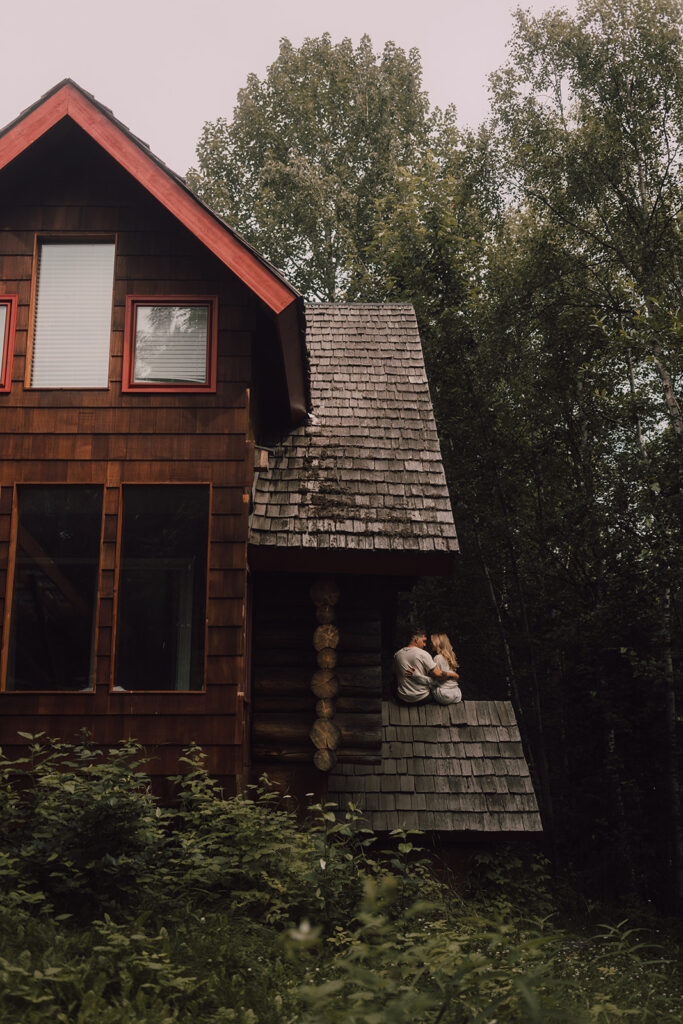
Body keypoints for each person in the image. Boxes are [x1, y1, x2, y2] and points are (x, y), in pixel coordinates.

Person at [393, 629, 460, 705]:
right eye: (424, 641)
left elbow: (395, 674)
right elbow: (438, 675)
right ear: (416, 640)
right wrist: (454, 675)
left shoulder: (397, 655)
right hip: (423, 698)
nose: (425, 645)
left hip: (402, 698)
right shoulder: (423, 654)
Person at [430, 633, 463, 705]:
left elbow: (440, 677)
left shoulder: (438, 658)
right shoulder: (450, 657)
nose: (430, 644)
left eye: (432, 642)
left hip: (444, 694)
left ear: (437, 643)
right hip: (457, 694)